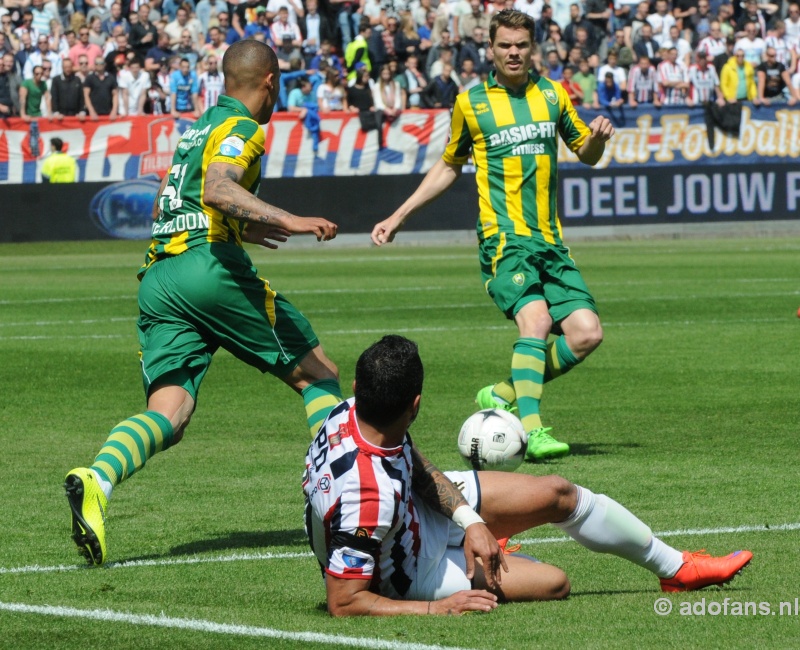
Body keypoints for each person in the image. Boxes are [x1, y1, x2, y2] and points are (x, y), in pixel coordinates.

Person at [64, 39, 341, 567]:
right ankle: (342, 498)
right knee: (319, 374)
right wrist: (288, 219)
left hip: (159, 276)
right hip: (206, 270)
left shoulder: (197, 127)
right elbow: (217, 189)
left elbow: (188, 197)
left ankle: (97, 479)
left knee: (171, 411)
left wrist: (244, 226)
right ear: (271, 81)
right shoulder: (242, 128)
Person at [304, 335, 754, 616]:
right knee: (554, 582)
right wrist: (435, 608)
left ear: (360, 388)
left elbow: (412, 463)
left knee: (558, 492)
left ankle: (675, 569)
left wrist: (470, 520)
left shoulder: (348, 412)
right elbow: (344, 602)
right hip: (407, 570)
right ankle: (473, 555)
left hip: (408, 513)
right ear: (416, 405)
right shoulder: (367, 498)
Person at [372, 10, 614, 462]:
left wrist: (598, 137)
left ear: (533, 47)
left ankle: (502, 392)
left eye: (521, 44)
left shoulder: (553, 95)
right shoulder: (471, 103)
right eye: (505, 45)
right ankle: (533, 429)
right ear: (491, 49)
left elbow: (587, 152)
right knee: (537, 323)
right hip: (504, 240)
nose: (514, 52)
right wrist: (400, 214)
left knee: (586, 333)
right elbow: (448, 164)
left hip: (549, 241)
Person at [83, 55, 118, 119]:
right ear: (94, 65)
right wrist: (91, 111)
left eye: (101, 63)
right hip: (93, 114)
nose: (99, 65)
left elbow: (115, 95)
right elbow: (86, 95)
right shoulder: (90, 78)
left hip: (108, 114)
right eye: (97, 64)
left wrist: (114, 111)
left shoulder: (111, 78)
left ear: (105, 64)